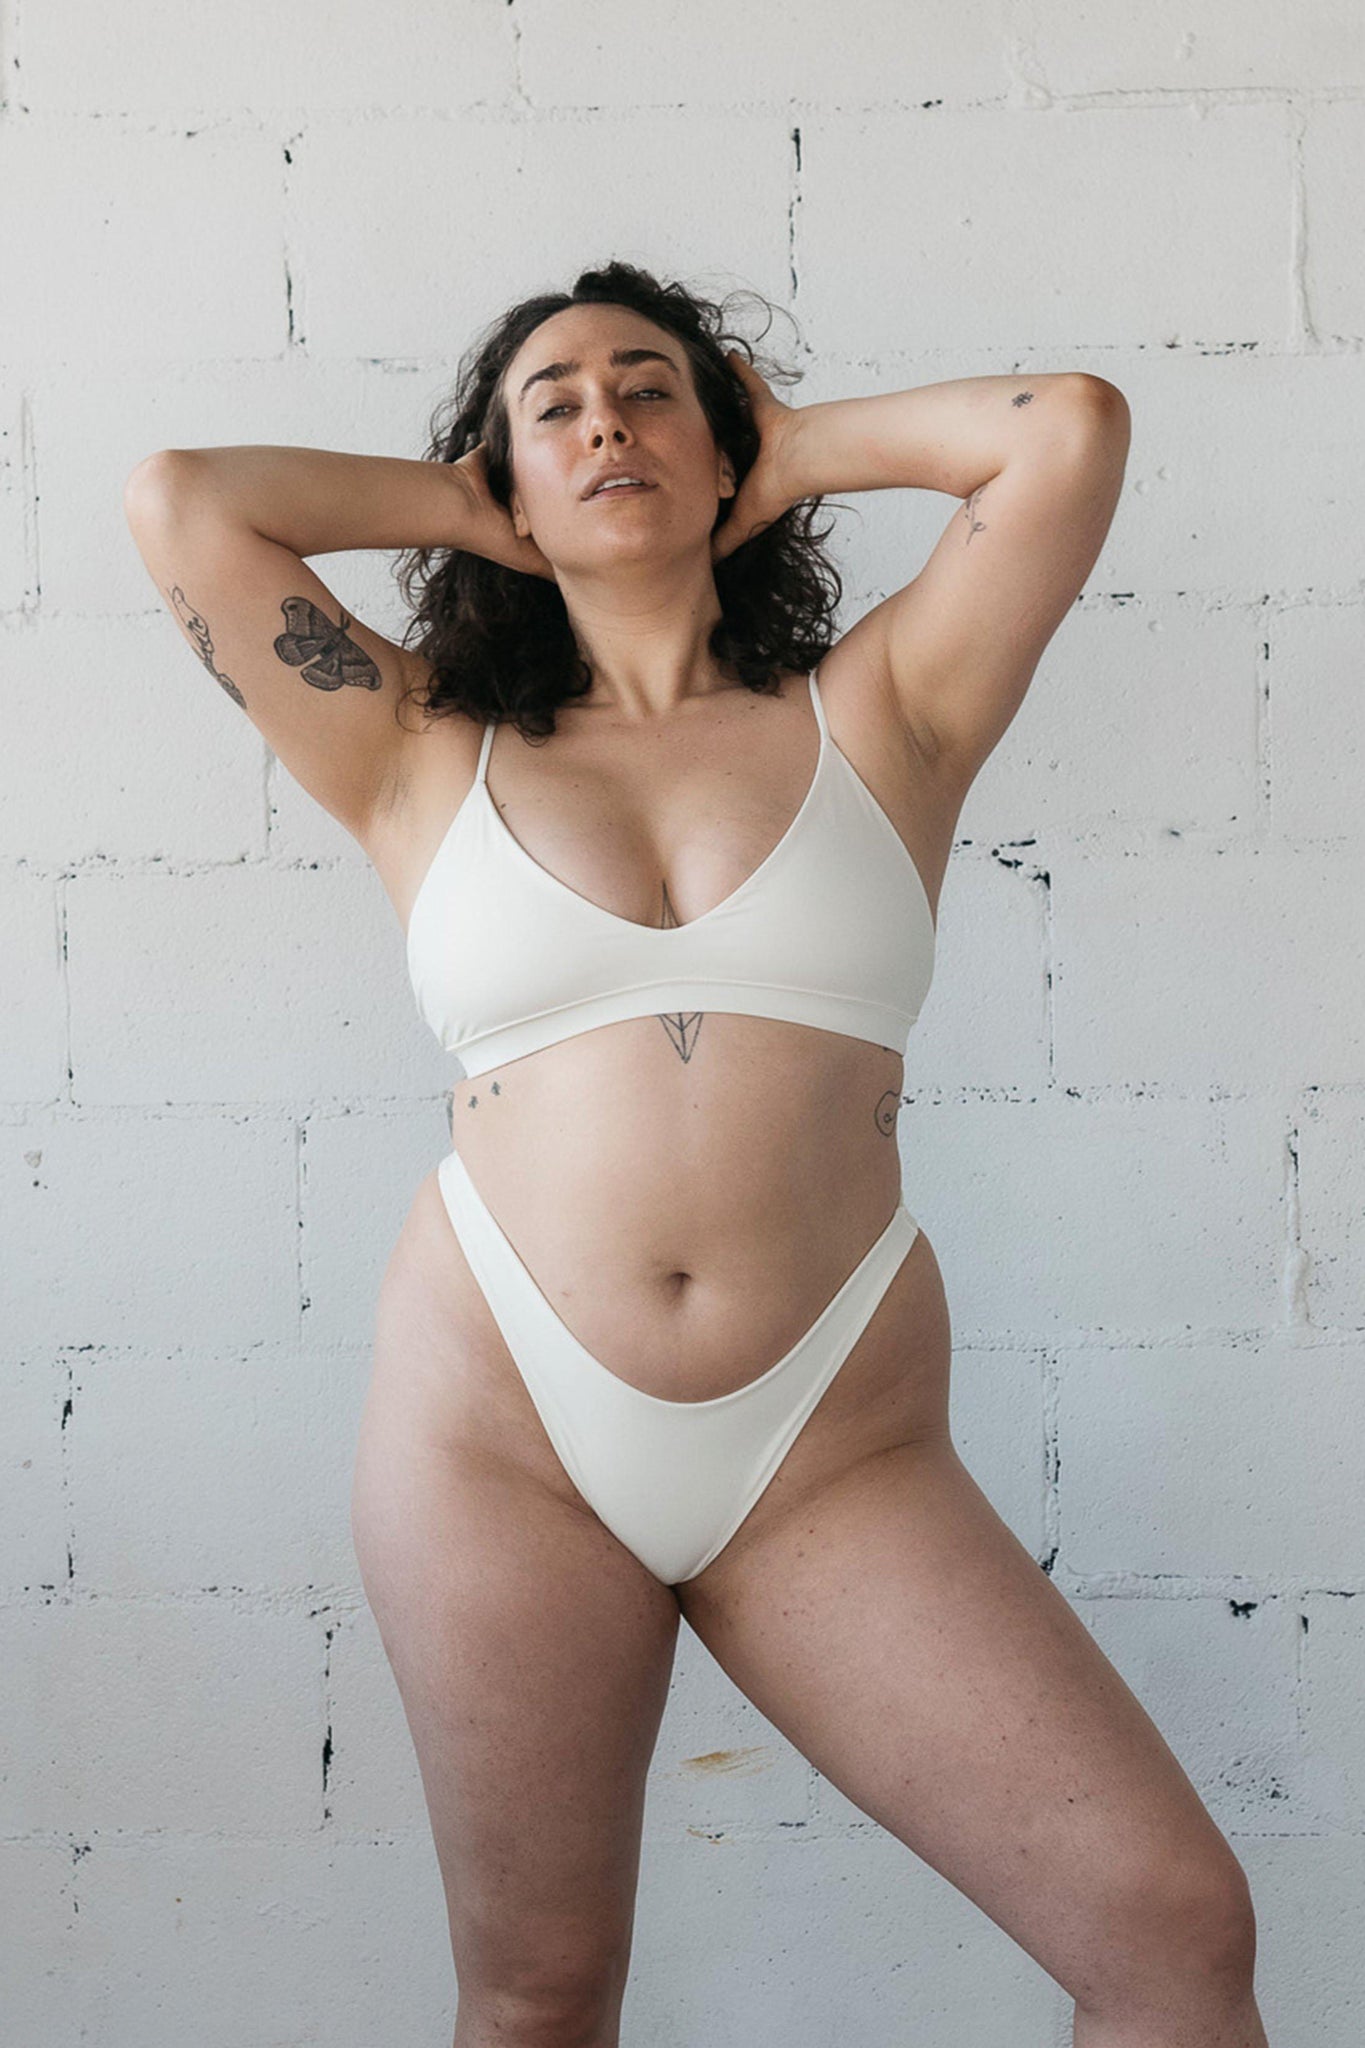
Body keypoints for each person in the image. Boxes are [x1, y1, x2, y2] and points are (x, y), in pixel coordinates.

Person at [124, 261, 1267, 2048]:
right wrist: (482, 502)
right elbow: (186, 501)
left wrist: (786, 445)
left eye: (647, 389)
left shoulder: (882, 712)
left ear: (717, 434)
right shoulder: (417, 746)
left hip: (825, 1448)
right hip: (499, 1440)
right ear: (501, 477)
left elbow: (1067, 433)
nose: (604, 423)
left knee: (1169, 1934)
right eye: (553, 404)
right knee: (538, 1993)